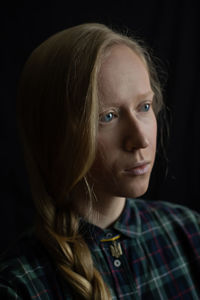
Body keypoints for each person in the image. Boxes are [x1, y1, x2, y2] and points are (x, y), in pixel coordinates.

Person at [0, 23, 200, 300]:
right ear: (54, 135)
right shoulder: (19, 286)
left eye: (144, 107)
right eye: (107, 116)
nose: (140, 140)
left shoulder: (189, 232)